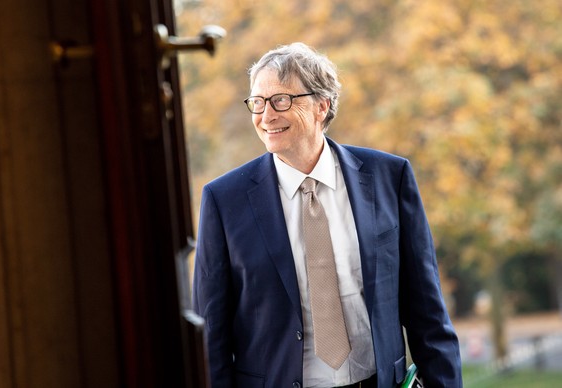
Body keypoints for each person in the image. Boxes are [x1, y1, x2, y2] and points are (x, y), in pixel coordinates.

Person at [192, 42, 462, 388]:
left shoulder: (389, 178)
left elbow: (428, 313)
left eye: (281, 100)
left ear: (322, 105)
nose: (266, 116)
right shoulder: (223, 200)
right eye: (257, 103)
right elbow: (210, 338)